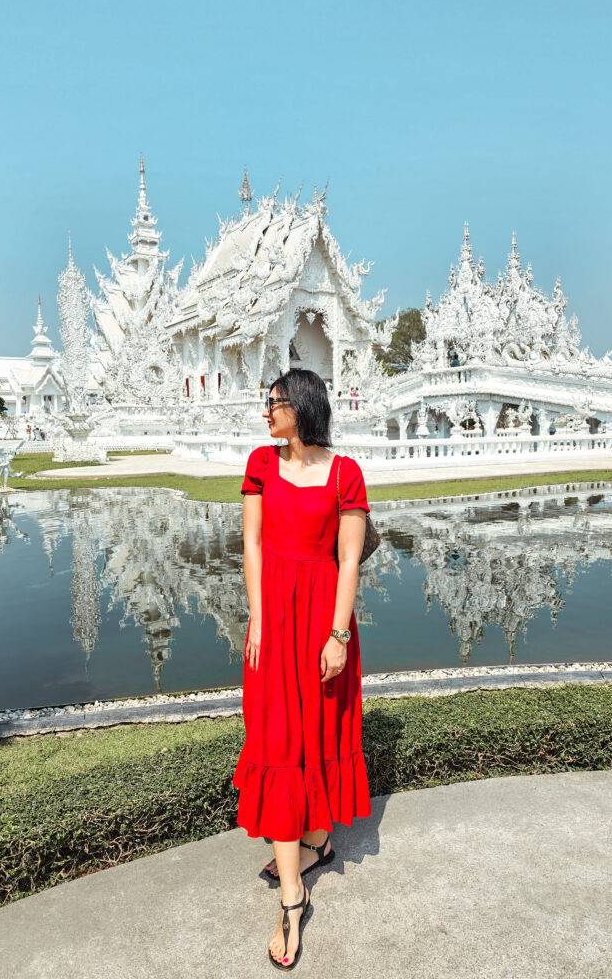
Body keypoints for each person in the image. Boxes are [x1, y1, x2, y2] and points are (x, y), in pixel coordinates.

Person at [235, 367, 372, 969]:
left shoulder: (345, 473)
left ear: (303, 407)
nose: (267, 412)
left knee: (318, 730)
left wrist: (338, 634)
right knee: (278, 740)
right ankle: (293, 900)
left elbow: (348, 560)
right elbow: (253, 546)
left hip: (323, 621)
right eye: (268, 403)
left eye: (276, 403)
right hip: (275, 623)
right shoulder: (262, 465)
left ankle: (314, 846)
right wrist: (258, 618)